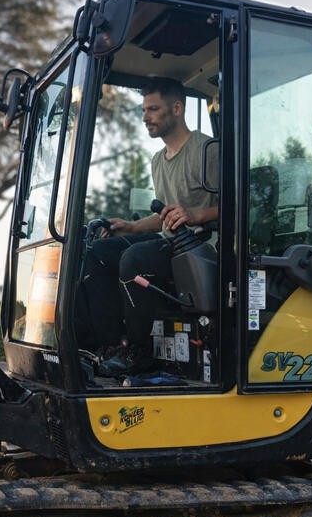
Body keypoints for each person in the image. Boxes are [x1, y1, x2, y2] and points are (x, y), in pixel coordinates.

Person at [78, 78, 218, 372]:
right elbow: (163, 215)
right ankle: (111, 347)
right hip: (170, 244)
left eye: (153, 109)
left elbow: (236, 205)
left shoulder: (206, 149)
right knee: (97, 253)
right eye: (144, 110)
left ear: (177, 108)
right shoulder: (158, 160)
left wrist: (195, 215)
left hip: (200, 248)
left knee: (135, 259)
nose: (145, 117)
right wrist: (129, 227)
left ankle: (139, 353)